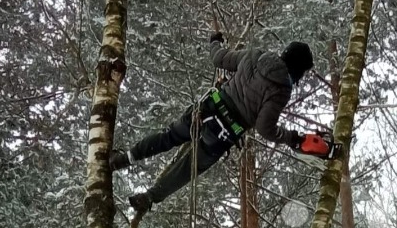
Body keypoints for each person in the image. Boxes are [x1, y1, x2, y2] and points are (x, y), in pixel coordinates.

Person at [112, 40, 339, 216]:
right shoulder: (281, 88)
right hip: (222, 133)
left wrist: (215, 42)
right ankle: (149, 198)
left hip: (205, 111)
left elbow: (218, 59)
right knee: (187, 169)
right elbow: (265, 128)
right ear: (298, 68)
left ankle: (125, 158)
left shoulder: (255, 55)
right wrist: (291, 138)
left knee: (168, 137)